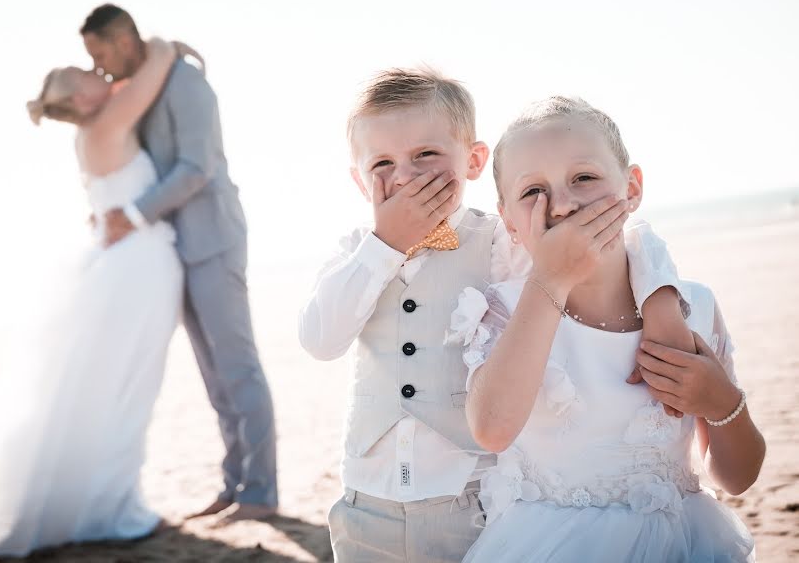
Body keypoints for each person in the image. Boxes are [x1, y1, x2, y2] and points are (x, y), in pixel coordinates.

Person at [298, 69, 690, 562]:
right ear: (359, 180)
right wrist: (384, 245)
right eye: (382, 163)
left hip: (471, 498)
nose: (404, 175)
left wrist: (661, 303)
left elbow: (620, 242)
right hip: (365, 500)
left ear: (474, 161)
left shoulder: (504, 241)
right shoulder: (357, 253)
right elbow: (319, 339)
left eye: (426, 155)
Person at [458, 96, 765, 562]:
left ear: (632, 187)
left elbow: (738, 477)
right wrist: (550, 278)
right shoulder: (501, 309)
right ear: (509, 222)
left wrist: (722, 403)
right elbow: (492, 430)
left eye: (584, 177)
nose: (560, 204)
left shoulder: (692, 306)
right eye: (532, 191)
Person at [0, 37, 191, 559]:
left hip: (126, 269)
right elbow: (159, 59)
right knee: (127, 388)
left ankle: (111, 503)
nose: (98, 70)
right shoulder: (107, 122)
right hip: (134, 271)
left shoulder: (95, 126)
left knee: (117, 388)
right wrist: (160, 46)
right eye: (87, 72)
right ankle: (110, 511)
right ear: (80, 100)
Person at [80, 4, 278, 521]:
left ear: (124, 40)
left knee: (239, 369)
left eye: (101, 54)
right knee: (215, 378)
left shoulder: (186, 85)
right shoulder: (145, 84)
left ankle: (261, 492)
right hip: (174, 251)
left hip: (213, 241)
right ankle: (234, 485)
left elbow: (196, 167)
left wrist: (133, 213)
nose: (100, 68)